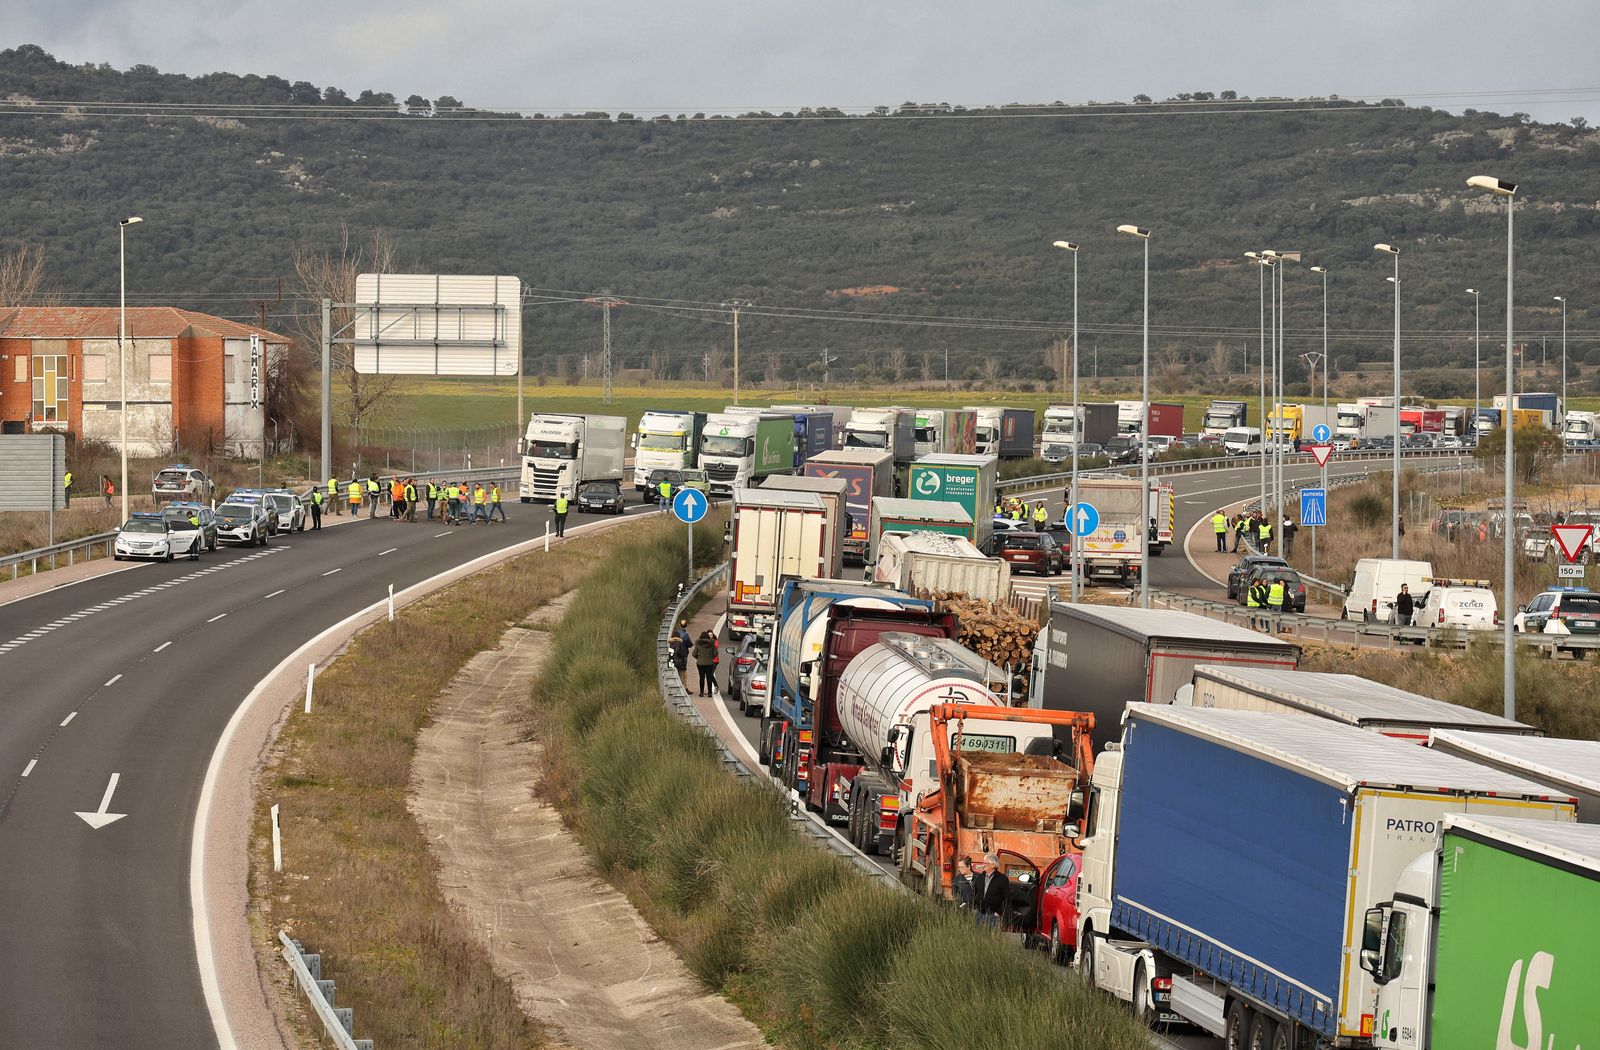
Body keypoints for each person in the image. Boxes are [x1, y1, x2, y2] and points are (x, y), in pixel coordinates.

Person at [973, 853, 1009, 929]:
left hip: (993, 915)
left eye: (985, 863)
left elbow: (1006, 898)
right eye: (983, 862)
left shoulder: (1002, 879)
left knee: (990, 938)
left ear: (993, 865)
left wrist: (999, 912)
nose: (983, 865)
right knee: (977, 937)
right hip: (979, 913)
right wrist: (975, 907)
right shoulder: (980, 877)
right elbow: (975, 892)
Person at [692, 630, 718, 697]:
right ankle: (709, 693)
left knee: (701, 677)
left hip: (700, 663)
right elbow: (716, 653)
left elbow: (694, 654)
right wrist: (711, 657)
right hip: (709, 663)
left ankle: (701, 692)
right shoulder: (712, 643)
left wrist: (699, 658)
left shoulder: (698, 643)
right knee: (709, 677)